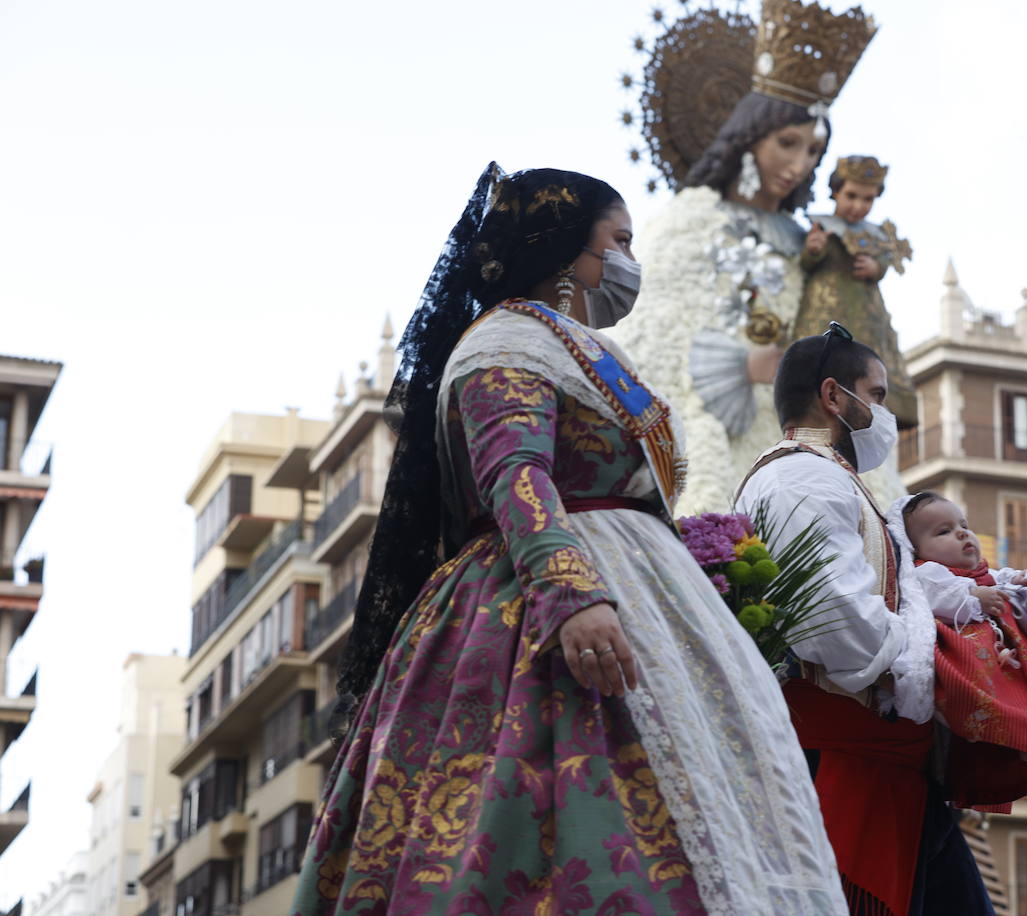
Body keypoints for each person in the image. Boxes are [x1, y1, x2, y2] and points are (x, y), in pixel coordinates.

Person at [291, 164, 846, 914]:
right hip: (536, 606)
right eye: (617, 240)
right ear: (566, 250)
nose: (627, 261)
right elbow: (515, 474)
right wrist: (572, 596)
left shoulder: (577, 345)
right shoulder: (507, 344)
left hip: (641, 589)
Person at [735, 325, 993, 916]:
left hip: (883, 761)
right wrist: (946, 653)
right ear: (833, 397)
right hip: (845, 762)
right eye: (875, 396)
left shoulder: (825, 477)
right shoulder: (802, 477)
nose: (885, 413)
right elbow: (837, 624)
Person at [611, 0, 879, 514]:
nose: (799, 166)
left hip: (798, 426)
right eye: (788, 144)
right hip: (714, 416)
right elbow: (654, 331)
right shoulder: (690, 218)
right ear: (751, 136)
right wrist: (737, 364)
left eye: (813, 154)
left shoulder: (808, 240)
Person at [891, 490, 1027, 813]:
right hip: (964, 656)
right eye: (944, 531)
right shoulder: (926, 574)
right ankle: (997, 733)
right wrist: (973, 597)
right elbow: (931, 596)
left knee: (1026, 693)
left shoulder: (985, 573)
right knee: (983, 695)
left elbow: (1003, 582)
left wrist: (1019, 581)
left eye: (963, 525)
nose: (962, 533)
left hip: (1001, 658)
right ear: (915, 550)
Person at [797, 155, 917, 428]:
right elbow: (806, 263)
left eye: (867, 199)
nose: (858, 206)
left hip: (867, 312)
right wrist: (813, 251)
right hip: (826, 305)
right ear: (836, 192)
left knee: (865, 362)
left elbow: (887, 262)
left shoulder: (877, 234)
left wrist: (877, 268)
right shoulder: (821, 225)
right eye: (851, 196)